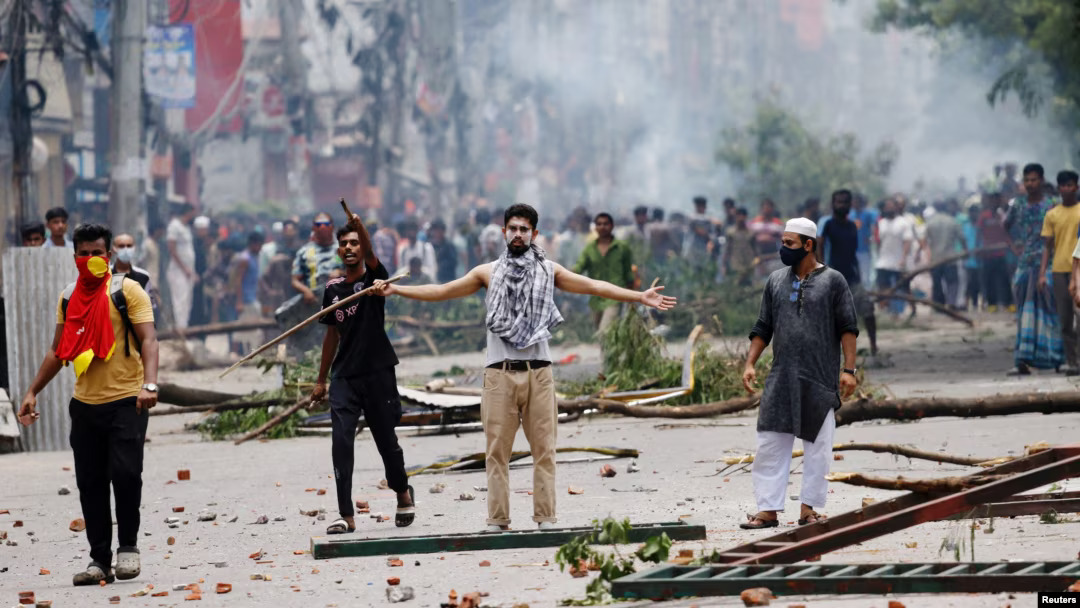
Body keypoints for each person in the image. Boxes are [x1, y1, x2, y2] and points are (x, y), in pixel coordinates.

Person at [373, 204, 676, 530]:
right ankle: (498, 520)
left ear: (534, 234)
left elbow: (593, 285)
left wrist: (638, 296)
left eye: (524, 229)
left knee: (544, 450)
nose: (518, 234)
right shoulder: (485, 272)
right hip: (499, 373)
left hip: (539, 373)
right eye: (513, 228)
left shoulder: (550, 270)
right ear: (504, 233)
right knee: (496, 452)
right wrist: (396, 290)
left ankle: (545, 518)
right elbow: (443, 291)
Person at [18, 223, 158, 585]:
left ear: (108, 255)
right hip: (84, 405)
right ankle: (99, 560)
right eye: (84, 253)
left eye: (97, 252)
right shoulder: (68, 296)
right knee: (91, 483)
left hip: (128, 400)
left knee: (127, 475)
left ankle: (128, 548)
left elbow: (149, 341)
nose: (91, 259)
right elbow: (58, 350)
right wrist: (33, 390)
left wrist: (150, 384)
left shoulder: (128, 291)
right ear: (74, 256)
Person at [739, 217, 859, 530]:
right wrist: (750, 362)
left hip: (818, 378)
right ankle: (767, 510)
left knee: (819, 449)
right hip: (781, 378)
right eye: (783, 242)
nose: (783, 249)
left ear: (808, 245)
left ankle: (809, 509)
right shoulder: (776, 281)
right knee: (770, 443)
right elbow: (763, 326)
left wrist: (849, 370)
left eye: (789, 243)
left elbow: (848, 328)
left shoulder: (834, 281)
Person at [309, 218, 415, 534]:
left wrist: (360, 227)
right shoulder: (332, 290)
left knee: (386, 441)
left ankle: (402, 492)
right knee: (341, 441)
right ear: (338, 250)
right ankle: (346, 514)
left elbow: (371, 256)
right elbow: (331, 336)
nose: (349, 248)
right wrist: (320, 380)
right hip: (345, 376)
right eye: (345, 244)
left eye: (355, 243)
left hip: (378, 373)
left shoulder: (375, 281)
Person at [1004, 163, 1062, 375]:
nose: (1030, 184)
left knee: (1050, 309)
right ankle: (1023, 358)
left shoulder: (1053, 204)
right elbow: (1006, 226)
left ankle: (1056, 357)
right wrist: (1014, 247)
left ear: (1042, 181)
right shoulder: (1017, 204)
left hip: (1050, 262)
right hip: (1026, 263)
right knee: (1024, 311)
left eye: (1034, 180)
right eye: (1027, 180)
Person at [819, 190, 878, 356]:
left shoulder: (852, 226)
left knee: (867, 309)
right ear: (833, 204)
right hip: (832, 278)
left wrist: (858, 274)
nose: (842, 205)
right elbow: (820, 246)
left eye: (845, 202)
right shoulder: (828, 225)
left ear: (850, 204)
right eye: (838, 202)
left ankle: (874, 346)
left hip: (852, 277)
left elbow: (852, 254)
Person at [574, 212, 635, 333]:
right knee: (600, 332)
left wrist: (632, 298)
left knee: (605, 331)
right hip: (596, 296)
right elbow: (579, 267)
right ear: (595, 227)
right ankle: (609, 352)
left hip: (615, 294)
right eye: (599, 224)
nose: (602, 227)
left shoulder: (622, 248)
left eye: (606, 224)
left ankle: (606, 352)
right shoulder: (589, 248)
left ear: (612, 226)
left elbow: (628, 274)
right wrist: (563, 272)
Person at [1047, 169, 1080, 373]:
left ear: (1076, 187)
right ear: (1059, 188)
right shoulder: (1052, 214)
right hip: (1059, 269)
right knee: (1066, 319)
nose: (1067, 189)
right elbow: (1046, 245)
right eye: (1064, 185)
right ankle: (1073, 362)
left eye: (1071, 185)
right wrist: (1043, 272)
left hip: (1078, 268)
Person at [874, 197, 916, 317]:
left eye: (891, 206)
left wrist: (903, 258)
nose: (888, 209)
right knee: (883, 287)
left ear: (896, 208)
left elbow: (907, 241)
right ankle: (886, 311)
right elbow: (879, 242)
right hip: (883, 261)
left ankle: (913, 309)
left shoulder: (903, 223)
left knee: (904, 287)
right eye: (886, 207)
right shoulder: (881, 223)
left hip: (898, 262)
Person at [924, 200, 967, 309]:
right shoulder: (952, 221)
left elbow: (925, 240)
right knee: (952, 282)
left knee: (937, 283)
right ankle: (951, 302)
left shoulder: (931, 222)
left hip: (936, 258)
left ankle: (938, 305)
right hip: (950, 258)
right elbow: (962, 238)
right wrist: (965, 250)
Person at [229, 232, 265, 355]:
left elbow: (256, 277)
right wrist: (239, 301)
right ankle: (234, 351)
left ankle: (250, 352)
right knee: (241, 326)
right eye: (260, 245)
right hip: (245, 298)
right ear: (254, 244)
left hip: (252, 296)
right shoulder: (245, 258)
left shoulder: (255, 257)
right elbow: (239, 280)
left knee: (252, 327)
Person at [165, 203, 198, 329]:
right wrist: (184, 268)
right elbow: (172, 249)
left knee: (187, 301)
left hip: (188, 270)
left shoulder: (187, 228)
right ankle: (180, 329)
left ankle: (184, 327)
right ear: (188, 212)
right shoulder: (174, 226)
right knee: (180, 300)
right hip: (178, 270)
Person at [111, 233, 160, 315]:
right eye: (121, 246)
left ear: (134, 248)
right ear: (114, 249)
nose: (126, 249)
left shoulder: (143, 277)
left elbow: (150, 308)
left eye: (129, 246)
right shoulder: (105, 275)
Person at [724, 208, 757, 285]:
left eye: (743, 215)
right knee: (736, 284)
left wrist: (758, 262)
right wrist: (724, 264)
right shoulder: (730, 232)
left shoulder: (751, 232)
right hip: (735, 263)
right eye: (739, 215)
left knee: (749, 285)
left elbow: (755, 249)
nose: (741, 218)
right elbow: (727, 248)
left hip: (749, 263)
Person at [961, 202, 982, 310]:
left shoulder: (981, 227)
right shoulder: (965, 227)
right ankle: (966, 303)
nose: (973, 215)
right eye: (971, 212)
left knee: (978, 283)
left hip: (979, 260)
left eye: (975, 212)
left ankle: (976, 303)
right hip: (968, 260)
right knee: (968, 283)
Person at [427, 219, 458, 283]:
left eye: (438, 230)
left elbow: (453, 262)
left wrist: (440, 266)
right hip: (432, 280)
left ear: (443, 231)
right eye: (434, 230)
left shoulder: (449, 246)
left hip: (446, 280)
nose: (436, 233)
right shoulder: (429, 246)